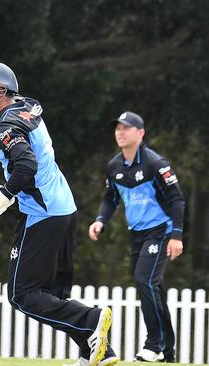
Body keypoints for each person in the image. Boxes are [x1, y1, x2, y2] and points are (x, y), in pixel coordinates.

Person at [0, 2, 118, 366]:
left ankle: (90, 321)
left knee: (22, 295)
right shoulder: (23, 103)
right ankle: (97, 351)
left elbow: (24, 168)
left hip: (44, 214)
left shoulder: (6, 125)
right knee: (53, 296)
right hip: (64, 209)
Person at [88, 111, 184, 363]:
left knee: (145, 280)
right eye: (117, 128)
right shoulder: (114, 166)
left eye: (126, 128)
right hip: (137, 235)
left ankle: (153, 345)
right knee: (153, 287)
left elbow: (176, 199)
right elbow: (110, 198)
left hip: (161, 230)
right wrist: (100, 220)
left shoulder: (156, 164)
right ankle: (168, 352)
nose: (120, 132)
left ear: (140, 133)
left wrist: (177, 235)